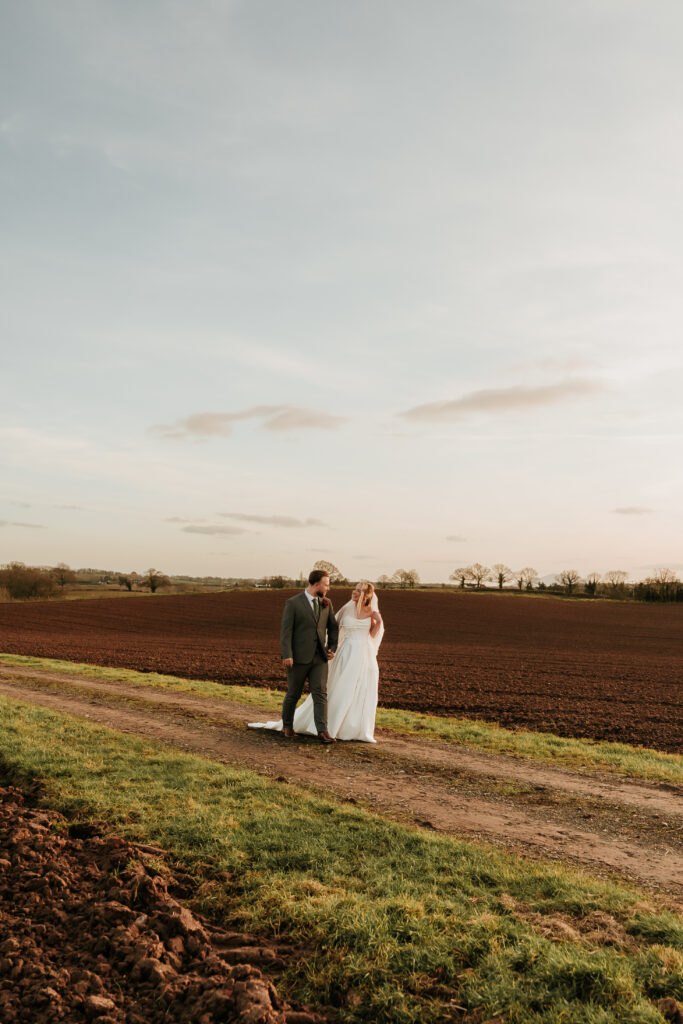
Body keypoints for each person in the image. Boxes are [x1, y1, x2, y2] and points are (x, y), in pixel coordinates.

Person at [249, 580, 384, 743]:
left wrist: (378, 621)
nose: (353, 592)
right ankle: (317, 727)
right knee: (337, 687)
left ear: (365, 594)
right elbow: (334, 629)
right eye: (355, 589)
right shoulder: (346, 609)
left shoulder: (371, 612)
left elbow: (372, 635)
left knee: (357, 689)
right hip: (346, 652)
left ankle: (351, 727)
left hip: (362, 653)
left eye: (358, 591)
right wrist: (330, 648)